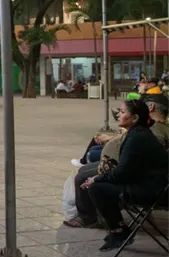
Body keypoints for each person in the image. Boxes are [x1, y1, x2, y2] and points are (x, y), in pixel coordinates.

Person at [67, 96, 169, 229]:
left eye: (122, 112)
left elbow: (123, 171)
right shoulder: (141, 131)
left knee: (92, 184)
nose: (118, 115)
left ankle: (114, 228)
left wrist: (97, 178)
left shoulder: (144, 134)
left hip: (148, 186)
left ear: (136, 117)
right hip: (142, 176)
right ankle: (114, 228)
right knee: (88, 177)